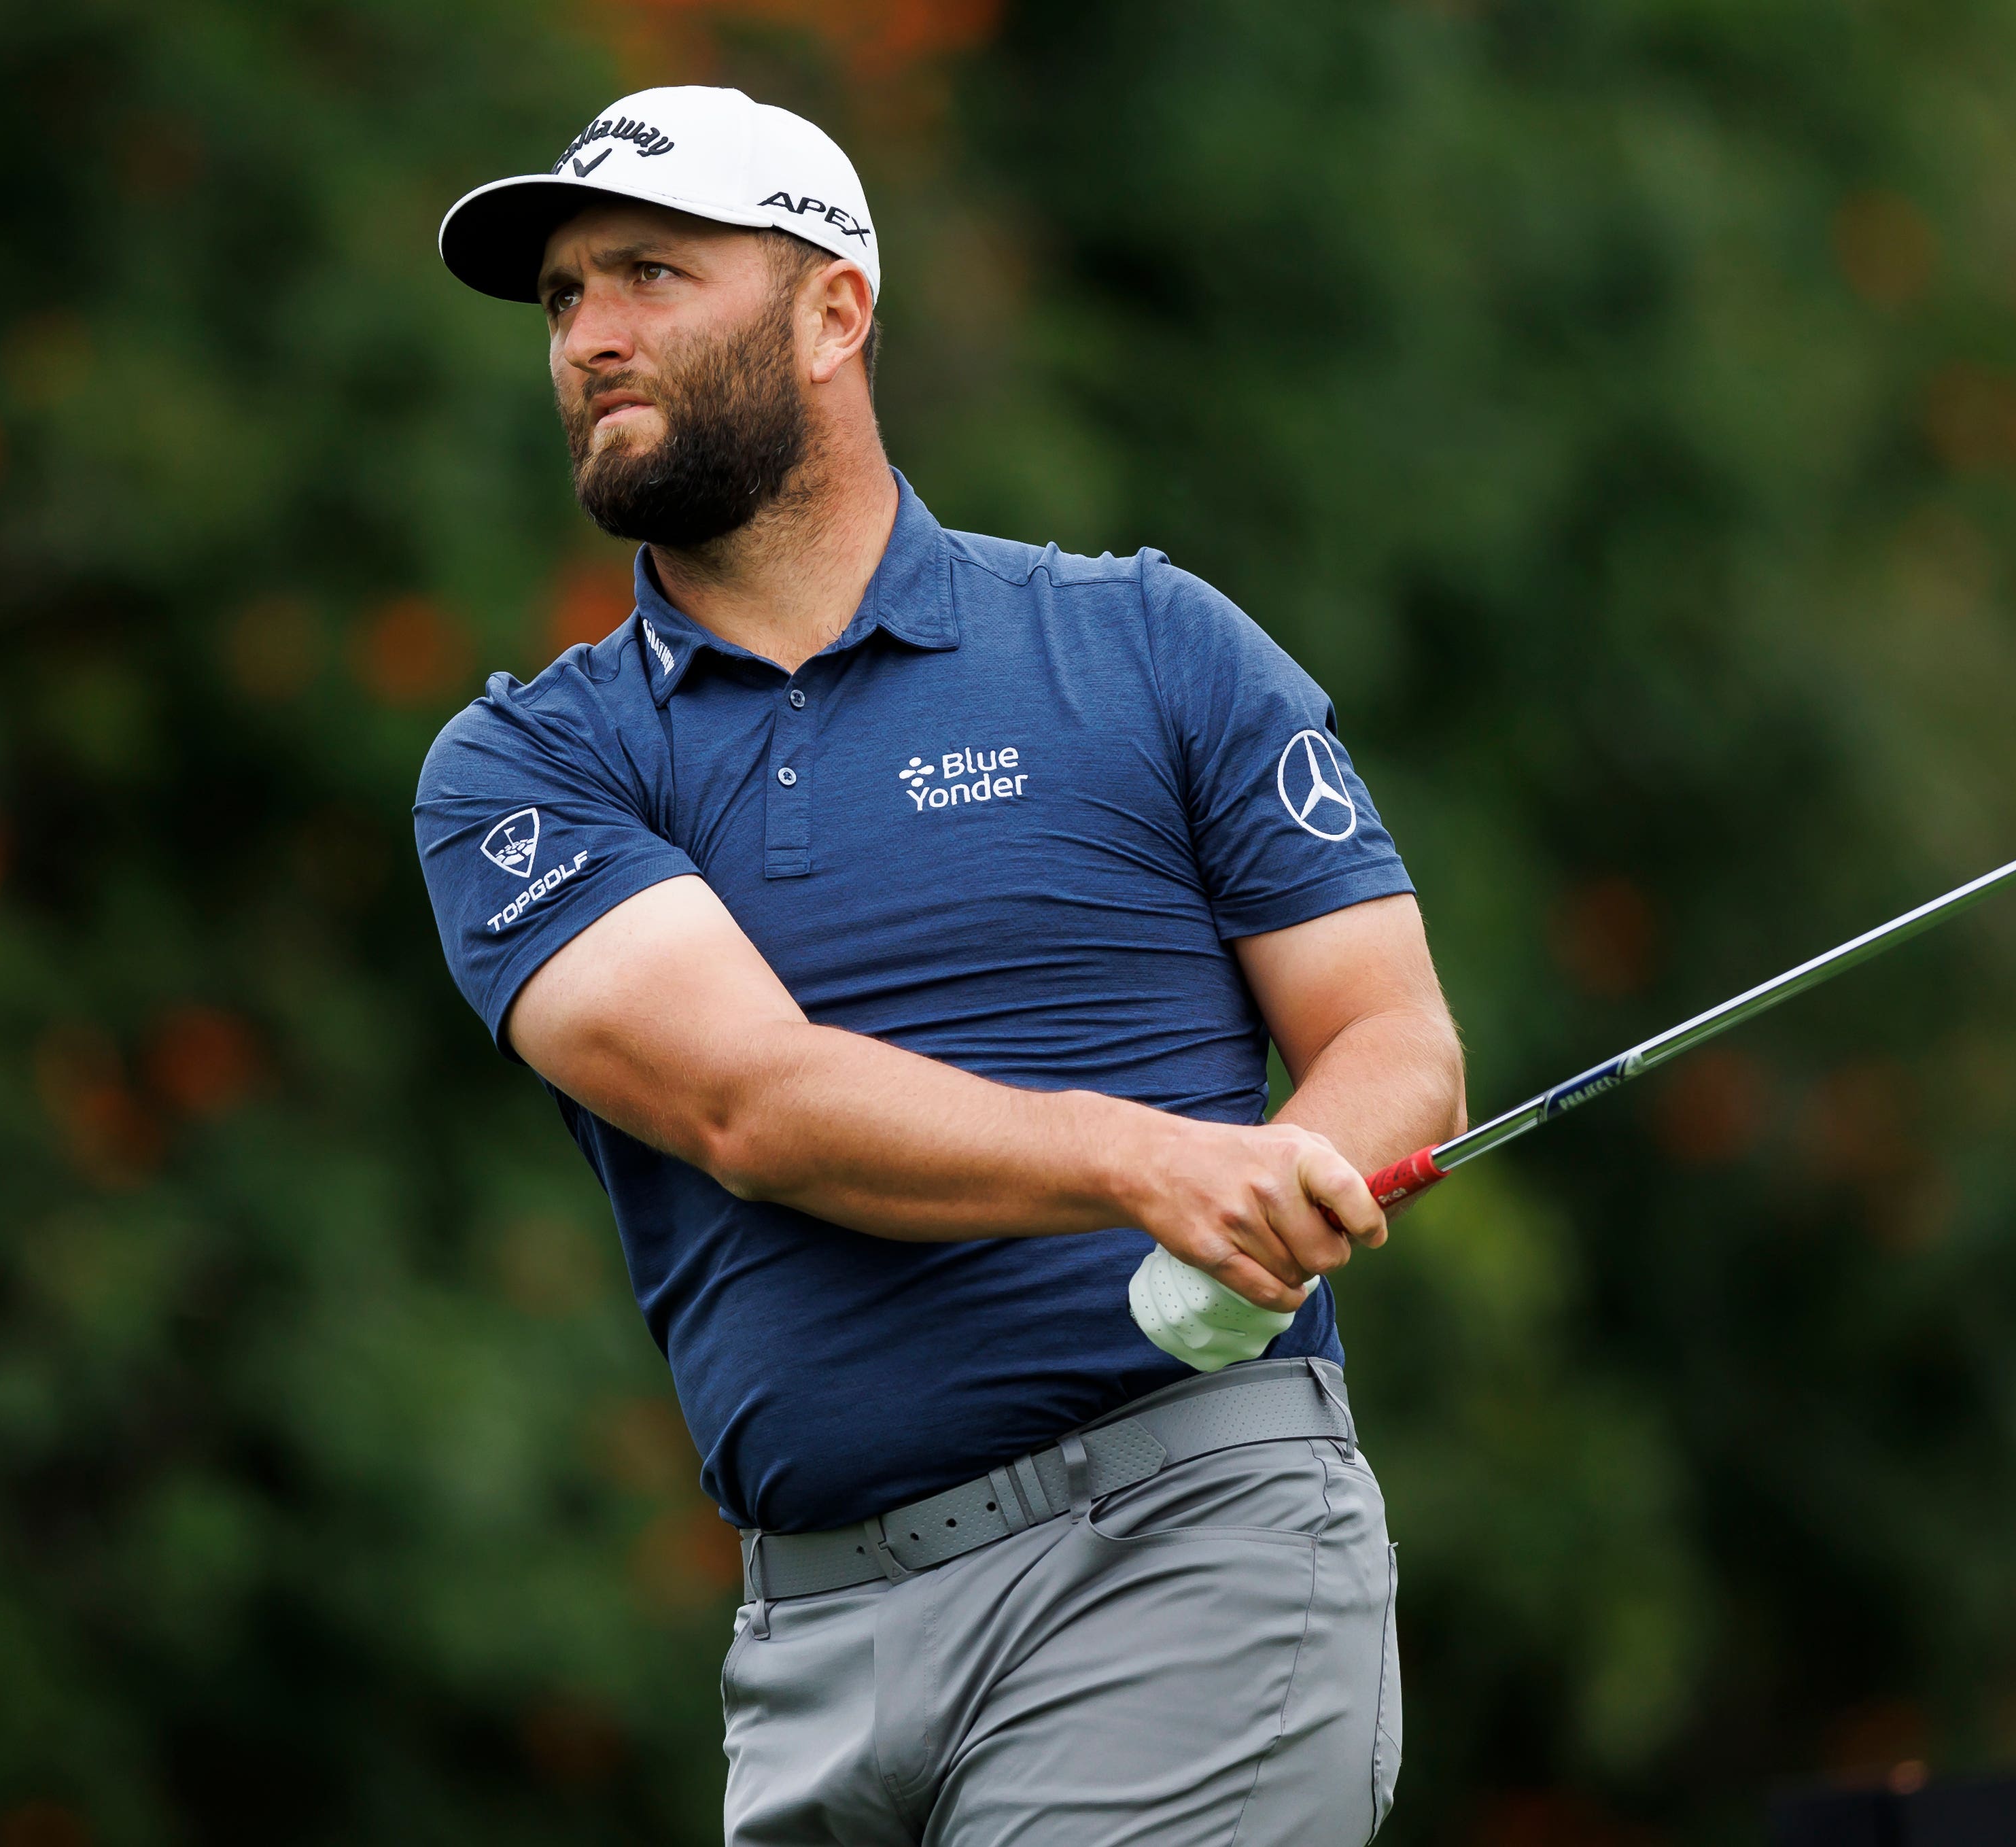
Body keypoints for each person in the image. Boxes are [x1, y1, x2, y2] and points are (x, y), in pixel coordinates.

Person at [419, 84, 1466, 1845]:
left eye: (649, 275)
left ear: (834, 309)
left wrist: (1294, 1175)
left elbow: (1387, 1032)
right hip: (811, 1642)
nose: (591, 338)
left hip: (1177, 1556)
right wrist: (1150, 1161)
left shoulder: (1147, 646)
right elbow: (753, 1104)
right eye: (564, 299)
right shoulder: (530, 767)